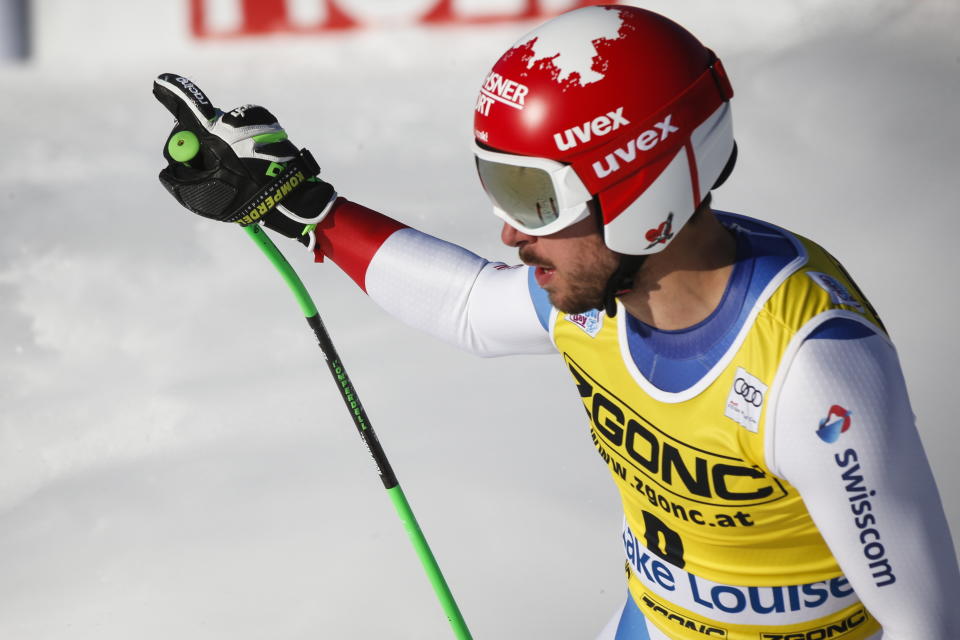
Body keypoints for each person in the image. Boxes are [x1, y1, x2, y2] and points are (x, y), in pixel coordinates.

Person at [153, 5, 959, 639]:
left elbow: (923, 624)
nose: (509, 232)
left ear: (644, 198)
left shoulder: (811, 376)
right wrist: (309, 209)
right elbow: (469, 305)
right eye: (497, 188)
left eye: (533, 199)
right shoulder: (600, 294)